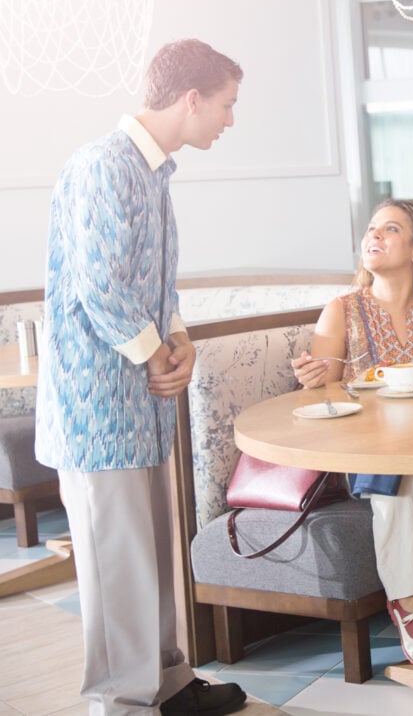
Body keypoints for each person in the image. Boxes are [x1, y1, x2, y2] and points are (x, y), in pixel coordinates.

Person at [35, 39, 248, 716]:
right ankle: (122, 704)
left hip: (143, 407)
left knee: (150, 556)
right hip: (96, 408)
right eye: (225, 105)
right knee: (115, 564)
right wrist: (161, 355)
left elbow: (153, 287)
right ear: (191, 100)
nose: (229, 120)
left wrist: (178, 341)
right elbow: (100, 287)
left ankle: (168, 683)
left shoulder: (152, 173)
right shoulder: (103, 166)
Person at [290, 200, 413, 673]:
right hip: (366, 452)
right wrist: (314, 378)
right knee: (403, 479)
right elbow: (326, 391)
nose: (373, 236)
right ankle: (409, 606)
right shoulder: (342, 311)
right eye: (372, 228)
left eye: (389, 229)